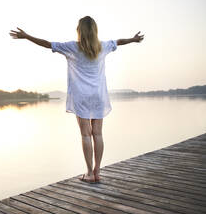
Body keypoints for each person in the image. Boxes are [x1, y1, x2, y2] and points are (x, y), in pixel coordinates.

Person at [9, 16, 144, 183]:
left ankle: (89, 173)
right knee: (98, 134)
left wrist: (27, 36)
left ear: (79, 31)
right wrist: (134, 39)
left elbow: (47, 44)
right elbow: (120, 41)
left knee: (86, 135)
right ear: (95, 30)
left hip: (81, 97)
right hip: (98, 96)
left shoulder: (72, 47)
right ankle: (97, 171)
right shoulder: (102, 46)